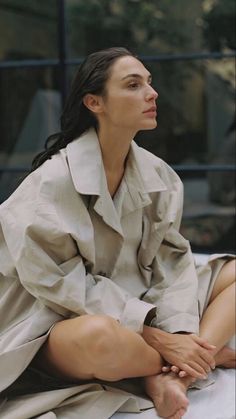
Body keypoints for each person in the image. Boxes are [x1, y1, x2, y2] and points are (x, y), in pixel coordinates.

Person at [0, 47, 235, 419]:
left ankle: (174, 371)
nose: (152, 92)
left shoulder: (159, 175)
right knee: (99, 337)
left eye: (149, 82)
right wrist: (157, 336)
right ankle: (202, 355)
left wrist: (178, 332)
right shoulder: (50, 183)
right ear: (95, 102)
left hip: (136, 303)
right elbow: (61, 285)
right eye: (133, 84)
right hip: (57, 319)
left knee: (234, 273)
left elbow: (171, 265)